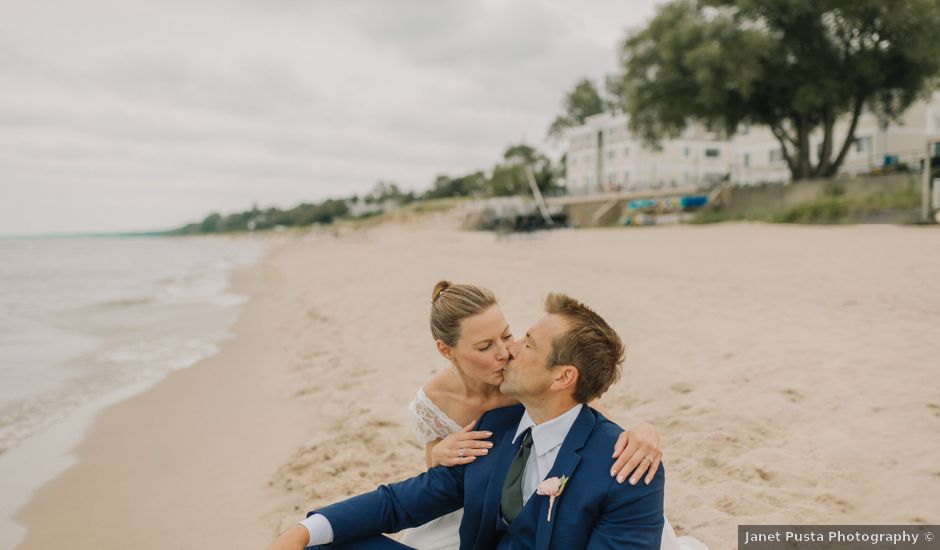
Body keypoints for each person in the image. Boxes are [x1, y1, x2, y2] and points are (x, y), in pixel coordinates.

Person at [268, 292, 665, 549]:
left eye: (526, 343)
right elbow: (398, 502)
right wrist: (303, 530)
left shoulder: (626, 469)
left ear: (562, 377)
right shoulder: (492, 429)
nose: (509, 351)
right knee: (326, 542)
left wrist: (644, 430)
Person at [400, 282, 665, 550]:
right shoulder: (434, 401)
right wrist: (438, 455)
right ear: (446, 350)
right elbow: (435, 479)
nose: (504, 353)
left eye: (506, 336)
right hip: (474, 502)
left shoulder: (526, 380)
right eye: (484, 347)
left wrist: (643, 430)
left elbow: (589, 417)